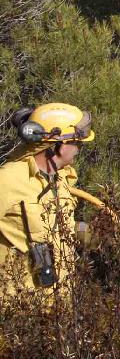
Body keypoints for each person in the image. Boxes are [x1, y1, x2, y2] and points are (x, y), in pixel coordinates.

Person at [0, 103, 94, 302]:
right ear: (59, 145)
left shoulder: (62, 180)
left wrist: (97, 235)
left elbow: (63, 227)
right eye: (78, 142)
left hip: (59, 310)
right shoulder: (8, 180)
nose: (80, 148)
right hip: (18, 310)